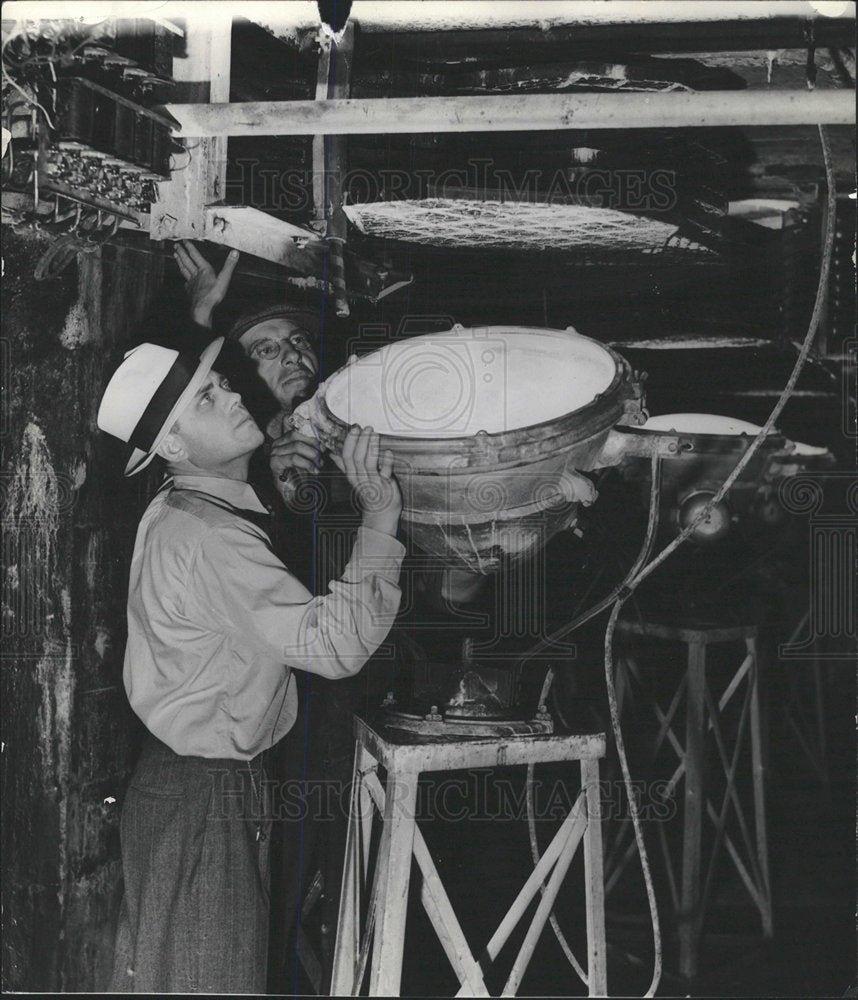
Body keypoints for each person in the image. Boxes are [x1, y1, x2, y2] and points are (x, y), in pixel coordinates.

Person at [98, 335, 404, 994]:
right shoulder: (213, 537)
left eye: (221, 383)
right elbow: (335, 647)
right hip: (206, 798)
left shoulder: (185, 506)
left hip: (185, 789)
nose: (235, 394)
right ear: (174, 448)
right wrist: (381, 516)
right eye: (208, 397)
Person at [173, 240, 412, 991]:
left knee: (347, 878)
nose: (293, 356)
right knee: (276, 890)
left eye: (298, 343)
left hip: (342, 699)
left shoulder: (345, 444)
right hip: (278, 713)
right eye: (267, 349)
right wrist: (195, 319)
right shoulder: (232, 471)